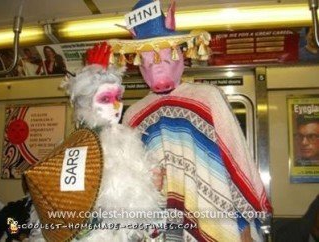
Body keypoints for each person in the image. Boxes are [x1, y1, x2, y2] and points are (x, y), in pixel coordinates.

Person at [108, 0, 272, 241]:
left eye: (163, 56)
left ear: (179, 54)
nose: (156, 67)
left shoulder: (206, 98)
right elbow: (131, 177)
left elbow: (233, 158)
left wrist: (244, 225)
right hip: (160, 221)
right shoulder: (134, 113)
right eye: (147, 60)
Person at [26, 42, 162, 242]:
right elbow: (71, 219)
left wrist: (152, 185)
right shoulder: (78, 151)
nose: (117, 105)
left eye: (118, 97)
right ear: (86, 105)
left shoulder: (125, 139)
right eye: (106, 99)